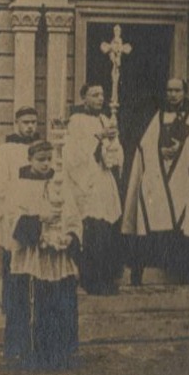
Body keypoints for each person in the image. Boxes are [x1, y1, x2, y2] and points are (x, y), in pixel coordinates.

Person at [121, 78, 189, 284]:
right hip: (160, 176)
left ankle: (183, 272)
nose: (173, 94)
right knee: (154, 215)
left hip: (184, 178)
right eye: (169, 90)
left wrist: (182, 150)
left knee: (183, 218)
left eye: (177, 90)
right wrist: (160, 151)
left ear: (184, 92)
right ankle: (147, 269)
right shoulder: (158, 116)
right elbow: (145, 146)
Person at [1, 140, 80, 371]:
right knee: (31, 304)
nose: (46, 164)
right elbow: (11, 218)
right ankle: (29, 354)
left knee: (59, 303)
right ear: (30, 160)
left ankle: (60, 353)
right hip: (31, 257)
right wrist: (39, 222)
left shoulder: (60, 183)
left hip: (58, 257)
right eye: (40, 160)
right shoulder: (19, 185)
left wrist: (70, 235)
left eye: (49, 159)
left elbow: (73, 213)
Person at [63, 84, 124, 296]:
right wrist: (99, 138)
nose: (100, 99)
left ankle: (107, 279)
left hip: (103, 179)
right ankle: (91, 280)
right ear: (83, 97)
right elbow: (73, 155)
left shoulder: (106, 119)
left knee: (107, 229)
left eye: (102, 95)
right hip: (86, 183)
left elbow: (114, 156)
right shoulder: (76, 121)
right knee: (92, 230)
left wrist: (113, 142)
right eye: (94, 95)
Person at [0, 107, 40, 253]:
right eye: (26, 122)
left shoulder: (40, 150)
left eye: (33, 122)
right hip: (14, 215)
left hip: (36, 214)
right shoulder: (4, 152)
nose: (30, 126)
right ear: (16, 123)